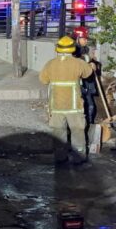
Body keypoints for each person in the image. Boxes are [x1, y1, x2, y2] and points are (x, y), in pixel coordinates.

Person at [39, 35, 95, 164]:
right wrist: (91, 65)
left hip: (57, 106)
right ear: (72, 49)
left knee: (59, 133)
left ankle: (60, 157)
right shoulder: (78, 63)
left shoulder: (50, 64)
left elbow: (43, 79)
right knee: (77, 132)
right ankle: (79, 157)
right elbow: (88, 73)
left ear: (57, 49)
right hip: (74, 107)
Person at [75, 29, 100, 151]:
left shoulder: (85, 50)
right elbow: (78, 65)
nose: (86, 41)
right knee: (84, 106)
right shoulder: (73, 51)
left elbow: (88, 60)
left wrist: (93, 62)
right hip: (78, 84)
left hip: (87, 82)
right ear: (78, 38)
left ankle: (89, 127)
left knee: (90, 106)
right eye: (84, 38)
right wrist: (88, 65)